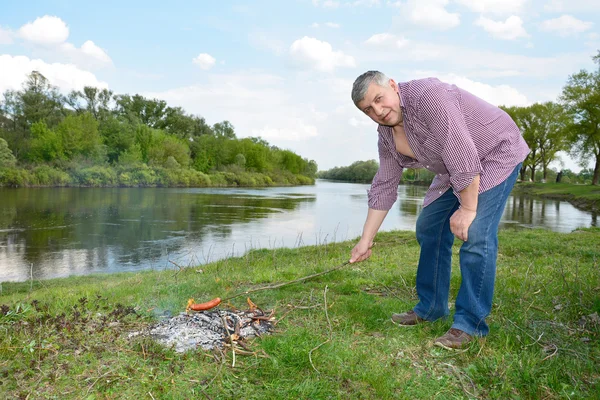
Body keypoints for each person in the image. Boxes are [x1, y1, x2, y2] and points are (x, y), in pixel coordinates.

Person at [348, 71, 530, 350]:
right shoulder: (386, 135)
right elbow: (384, 185)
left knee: (476, 232)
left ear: (393, 86)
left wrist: (468, 209)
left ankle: (470, 324)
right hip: (454, 169)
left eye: (379, 99)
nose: (378, 111)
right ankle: (431, 308)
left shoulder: (429, 97)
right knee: (429, 227)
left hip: (496, 152)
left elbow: (461, 153)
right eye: (368, 110)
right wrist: (366, 240)